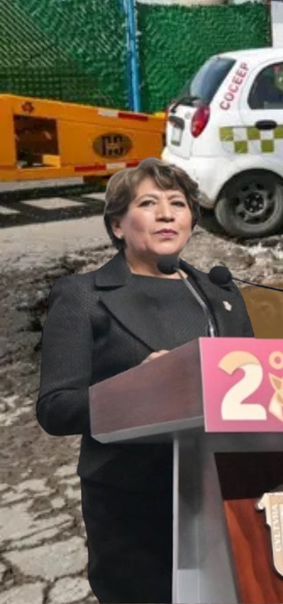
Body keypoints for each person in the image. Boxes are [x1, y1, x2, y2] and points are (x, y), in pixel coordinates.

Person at [36, 158, 256, 603]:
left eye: (178, 203)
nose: (166, 213)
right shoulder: (82, 296)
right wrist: (136, 388)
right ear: (118, 225)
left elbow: (257, 386)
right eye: (148, 203)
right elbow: (56, 408)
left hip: (223, 485)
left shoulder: (220, 293)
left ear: (192, 220)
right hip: (133, 501)